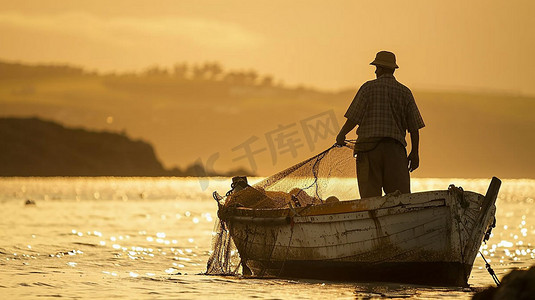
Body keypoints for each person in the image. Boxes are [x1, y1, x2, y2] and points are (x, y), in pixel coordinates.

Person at [336, 51, 425, 198]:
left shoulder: (367, 88)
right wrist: (415, 153)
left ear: (381, 68)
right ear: (393, 69)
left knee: (370, 200)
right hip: (395, 152)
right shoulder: (405, 92)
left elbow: (354, 118)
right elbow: (414, 128)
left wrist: (342, 134)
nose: (376, 71)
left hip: (368, 151)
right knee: (400, 200)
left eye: (377, 68)